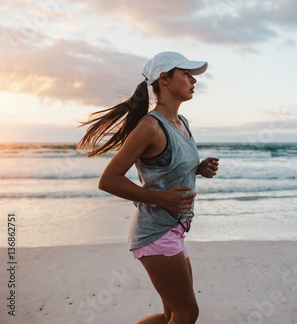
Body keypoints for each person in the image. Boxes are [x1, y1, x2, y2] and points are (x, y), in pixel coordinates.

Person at [78, 51, 219, 324]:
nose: (194, 80)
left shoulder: (182, 123)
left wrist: (198, 168)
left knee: (172, 315)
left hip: (175, 229)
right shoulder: (150, 127)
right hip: (155, 233)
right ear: (164, 78)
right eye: (186, 74)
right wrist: (162, 199)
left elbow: (165, 170)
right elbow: (109, 179)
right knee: (188, 314)